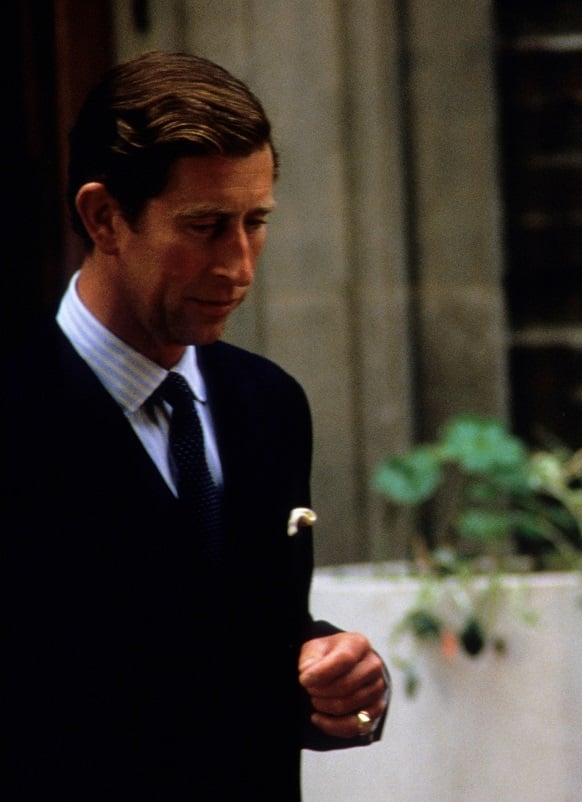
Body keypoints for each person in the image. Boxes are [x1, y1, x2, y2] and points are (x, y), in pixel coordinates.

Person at [2, 50, 389, 800]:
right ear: (104, 217)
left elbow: (246, 632)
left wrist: (335, 677)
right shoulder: (18, 415)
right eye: (206, 227)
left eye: (256, 222)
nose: (239, 264)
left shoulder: (268, 403)